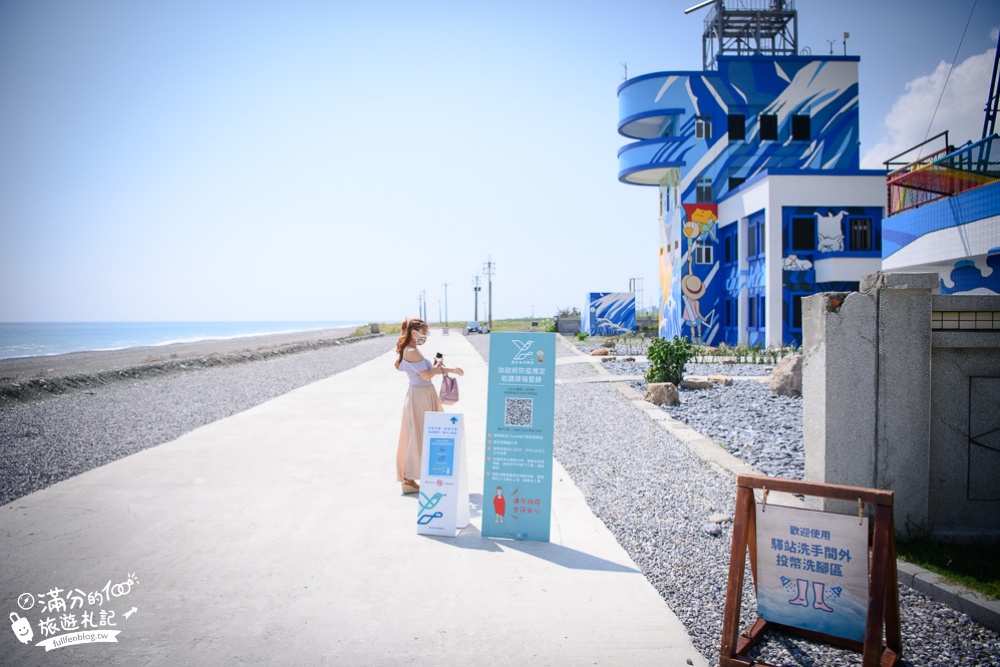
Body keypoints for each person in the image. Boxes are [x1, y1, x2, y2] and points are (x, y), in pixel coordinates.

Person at [394, 317, 464, 495]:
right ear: (413, 332)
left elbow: (426, 373)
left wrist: (447, 369)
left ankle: (417, 476)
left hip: (423, 394)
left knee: (424, 434)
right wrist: (440, 367)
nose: (425, 335)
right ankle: (409, 477)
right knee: (418, 435)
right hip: (420, 395)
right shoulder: (411, 351)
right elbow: (426, 376)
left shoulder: (413, 350)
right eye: (423, 331)